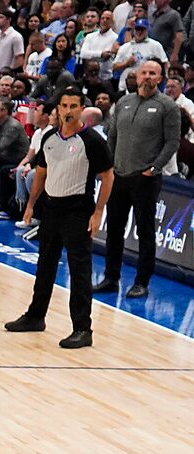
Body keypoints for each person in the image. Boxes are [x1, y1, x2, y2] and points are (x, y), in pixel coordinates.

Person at [7, 82, 114, 346]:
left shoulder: (92, 141)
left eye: (73, 106)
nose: (68, 110)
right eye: (64, 106)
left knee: (79, 270)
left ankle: (83, 329)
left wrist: (98, 211)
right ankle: (35, 316)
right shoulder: (49, 138)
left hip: (78, 209)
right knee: (45, 264)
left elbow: (108, 176)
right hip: (51, 207)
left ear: (81, 109)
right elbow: (41, 171)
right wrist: (32, 203)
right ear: (58, 108)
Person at [94, 59, 180, 296]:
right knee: (114, 229)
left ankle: (142, 282)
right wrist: (108, 163)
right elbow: (112, 134)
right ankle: (111, 278)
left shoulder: (167, 106)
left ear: (160, 79)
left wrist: (155, 167)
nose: (148, 77)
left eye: (153, 73)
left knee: (144, 231)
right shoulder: (124, 102)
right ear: (137, 76)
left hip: (145, 178)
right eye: (145, 73)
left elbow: (172, 142)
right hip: (119, 174)